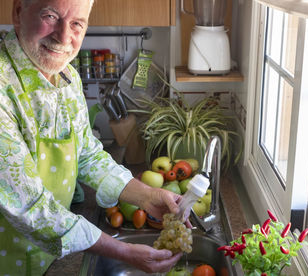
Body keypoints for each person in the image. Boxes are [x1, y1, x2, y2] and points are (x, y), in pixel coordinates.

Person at [0, 0, 183, 274]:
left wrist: (145, 196)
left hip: (44, 255)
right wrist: (123, 251)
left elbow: (86, 154)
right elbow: (27, 204)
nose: (63, 37)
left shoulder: (67, 77)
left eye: (77, 24)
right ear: (18, 12)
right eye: (50, 16)